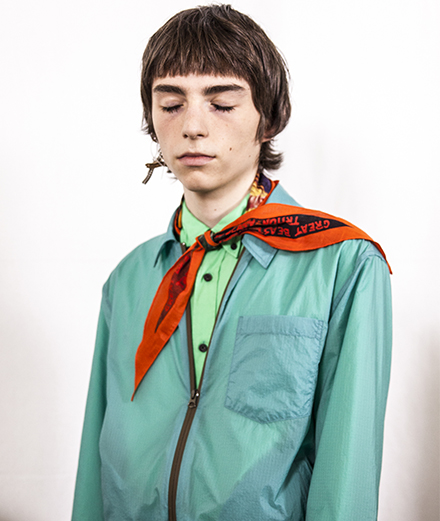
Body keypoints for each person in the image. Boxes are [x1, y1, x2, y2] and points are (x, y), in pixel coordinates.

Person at [72, 5, 392, 521]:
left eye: (221, 103)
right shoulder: (128, 280)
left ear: (269, 116)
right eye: (171, 104)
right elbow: (95, 466)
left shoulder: (343, 264)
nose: (192, 126)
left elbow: (346, 475)